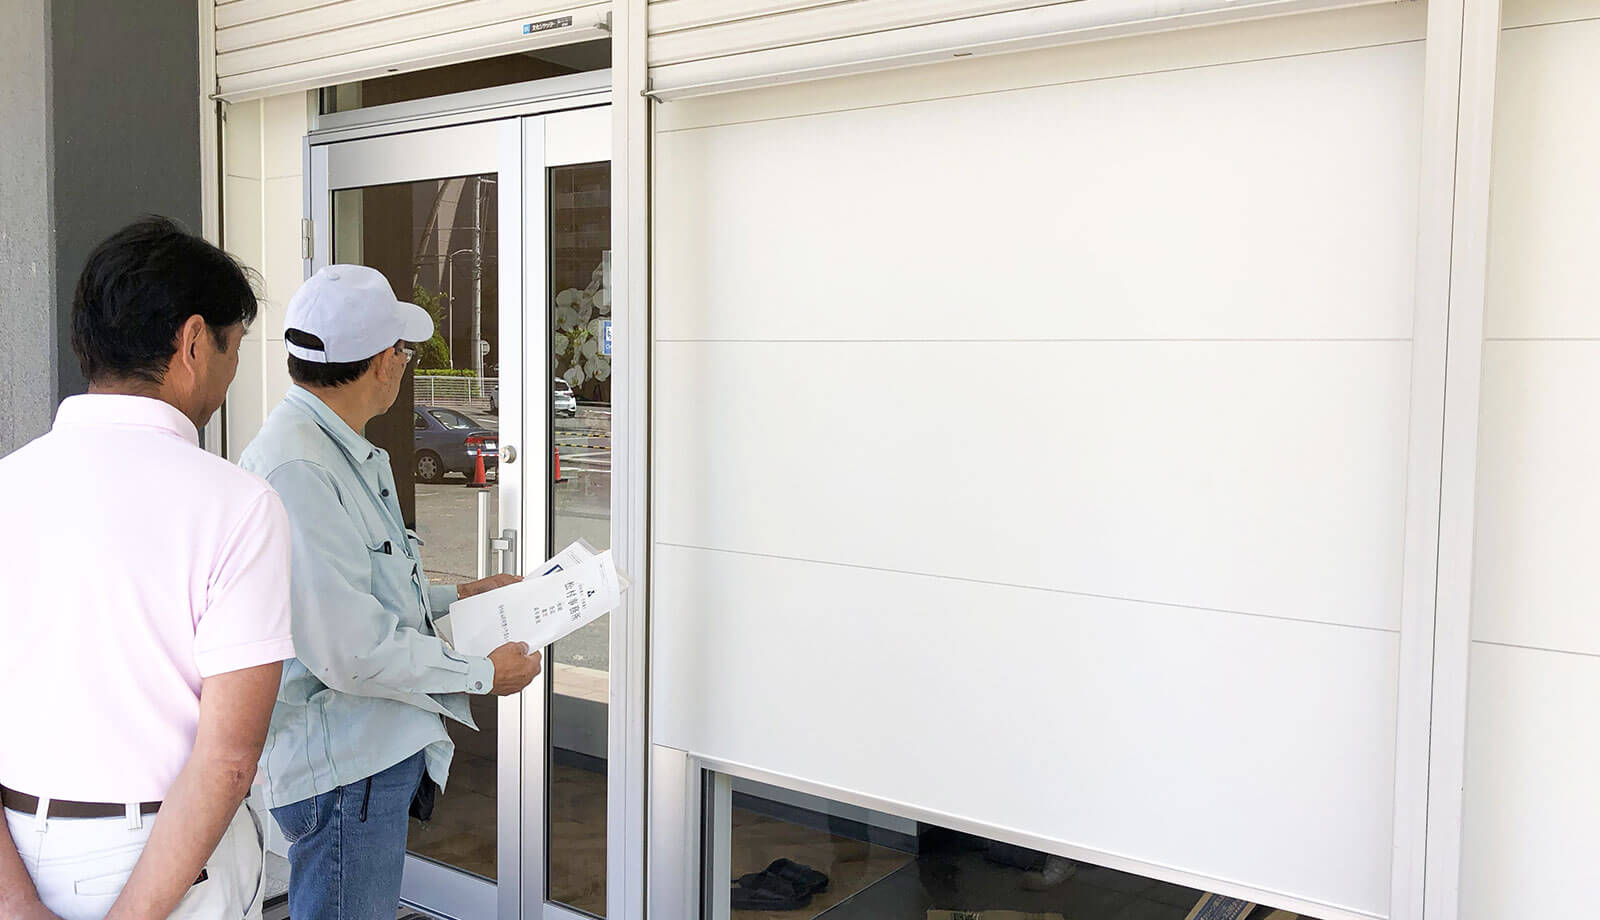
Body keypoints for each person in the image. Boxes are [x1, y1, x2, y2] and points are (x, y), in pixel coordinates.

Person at [0, 217, 294, 920]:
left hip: (18, 850)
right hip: (168, 867)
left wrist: (16, 902)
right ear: (192, 342)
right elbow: (228, 760)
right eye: (233, 347)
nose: (229, 373)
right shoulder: (239, 505)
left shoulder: (7, 487)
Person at [240, 264, 541, 919]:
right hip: (346, 770)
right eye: (403, 352)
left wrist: (459, 592)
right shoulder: (301, 469)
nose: (405, 365)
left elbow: (358, 591)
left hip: (362, 763)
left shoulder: (331, 451)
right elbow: (351, 650)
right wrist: (483, 674)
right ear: (383, 363)